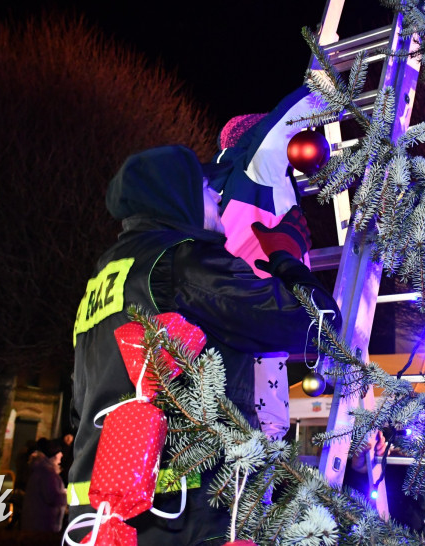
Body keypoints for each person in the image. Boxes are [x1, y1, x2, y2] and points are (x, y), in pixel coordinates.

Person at [69, 145, 340, 545]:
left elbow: (81, 408)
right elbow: (317, 327)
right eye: (203, 188)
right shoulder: (181, 262)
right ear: (174, 194)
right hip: (185, 514)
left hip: (104, 514)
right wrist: (287, 259)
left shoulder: (102, 280)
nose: (217, 196)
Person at [19, 439, 66, 542]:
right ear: (53, 455)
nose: (62, 455)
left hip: (36, 524)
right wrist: (68, 494)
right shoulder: (48, 474)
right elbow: (53, 497)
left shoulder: (42, 470)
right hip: (43, 526)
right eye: (59, 453)